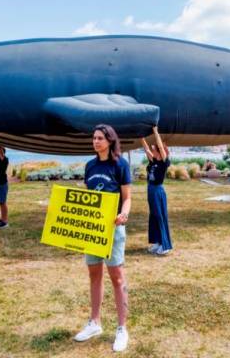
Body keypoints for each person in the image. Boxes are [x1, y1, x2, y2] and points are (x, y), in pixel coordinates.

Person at [74, 124, 132, 353]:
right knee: (94, 275)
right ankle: (95, 323)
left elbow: (127, 198)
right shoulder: (90, 166)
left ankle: (121, 328)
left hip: (113, 230)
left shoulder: (120, 165)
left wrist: (124, 213)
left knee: (117, 278)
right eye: (94, 138)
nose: (96, 141)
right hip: (92, 231)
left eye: (100, 138)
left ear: (109, 140)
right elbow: (88, 198)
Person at [140, 126, 172, 256]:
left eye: (154, 149)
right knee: (153, 216)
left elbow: (158, 144)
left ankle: (165, 246)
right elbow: (146, 148)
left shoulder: (164, 162)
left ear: (159, 152)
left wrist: (155, 131)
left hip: (158, 191)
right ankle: (157, 242)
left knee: (160, 216)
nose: (152, 150)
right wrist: (140, 135)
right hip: (150, 190)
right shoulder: (152, 161)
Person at [0, 145, 10, 229]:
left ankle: (5, 222)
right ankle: (2, 219)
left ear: (2, 152)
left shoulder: (5, 159)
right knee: (1, 202)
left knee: (3, 203)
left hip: (2, 184)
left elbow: (0, 152)